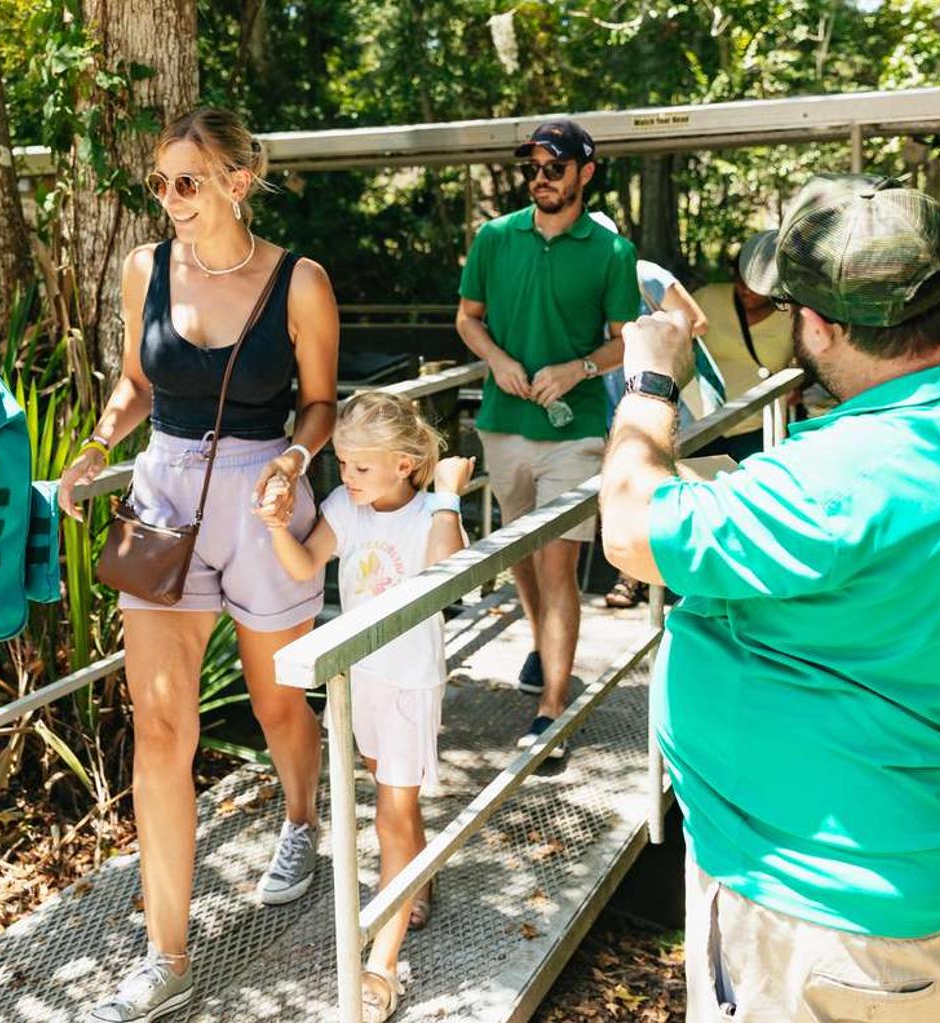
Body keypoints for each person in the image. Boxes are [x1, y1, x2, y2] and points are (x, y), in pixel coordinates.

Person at [599, 179, 940, 1022]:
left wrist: (648, 383)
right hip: (928, 868)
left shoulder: (847, 474)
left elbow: (632, 531)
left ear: (818, 325)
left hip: (820, 913)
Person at [56, 107, 340, 1022]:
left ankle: (300, 817)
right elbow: (136, 384)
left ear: (236, 182)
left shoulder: (299, 280)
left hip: (263, 500)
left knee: (276, 701)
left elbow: (321, 402)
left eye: (187, 180)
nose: (170, 198)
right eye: (160, 182)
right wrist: (96, 447)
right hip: (165, 498)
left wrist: (294, 460)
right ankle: (166, 955)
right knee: (161, 730)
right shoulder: (145, 268)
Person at [255, 392, 470, 1023]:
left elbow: (449, 575)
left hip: (408, 683)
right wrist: (276, 526)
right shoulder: (345, 507)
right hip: (360, 681)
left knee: (390, 814)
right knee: (393, 800)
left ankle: (382, 962)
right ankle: (416, 882)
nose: (346, 476)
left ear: (405, 464)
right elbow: (305, 566)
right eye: (344, 464)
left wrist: (451, 495)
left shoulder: (431, 513)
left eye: (361, 467)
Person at [453, 118, 639, 758]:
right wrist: (497, 360)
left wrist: (578, 368)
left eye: (554, 168)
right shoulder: (494, 238)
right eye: (532, 168)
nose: (540, 179)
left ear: (585, 173)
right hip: (504, 425)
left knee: (557, 564)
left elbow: (625, 341)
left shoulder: (613, 252)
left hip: (574, 431)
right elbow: (468, 319)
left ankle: (552, 711)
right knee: (523, 556)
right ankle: (542, 645)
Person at [600, 249, 715, 610]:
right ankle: (632, 576)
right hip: (616, 395)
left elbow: (697, 321)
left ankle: (678, 577)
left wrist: (650, 339)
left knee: (668, 478)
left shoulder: (644, 274)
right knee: (628, 479)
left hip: (665, 391)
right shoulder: (582, 280)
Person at [686, 243, 799, 463]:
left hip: (758, 426)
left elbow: (811, 361)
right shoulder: (707, 297)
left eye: (755, 284)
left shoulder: (794, 316)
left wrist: (798, 386)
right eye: (740, 280)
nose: (746, 290)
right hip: (699, 425)